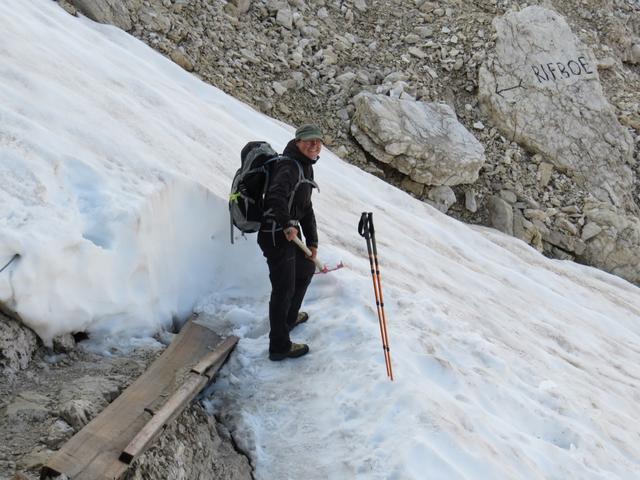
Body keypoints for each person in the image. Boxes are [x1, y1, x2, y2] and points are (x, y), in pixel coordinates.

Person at [258, 124, 323, 361]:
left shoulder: (305, 167)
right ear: (297, 142)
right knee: (283, 289)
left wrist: (312, 241)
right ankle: (279, 347)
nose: (314, 145)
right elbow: (275, 198)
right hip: (276, 233)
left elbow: (306, 208)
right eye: (308, 141)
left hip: (289, 234)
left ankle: (289, 317)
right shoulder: (288, 165)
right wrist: (286, 224)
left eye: (317, 141)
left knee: (305, 269)